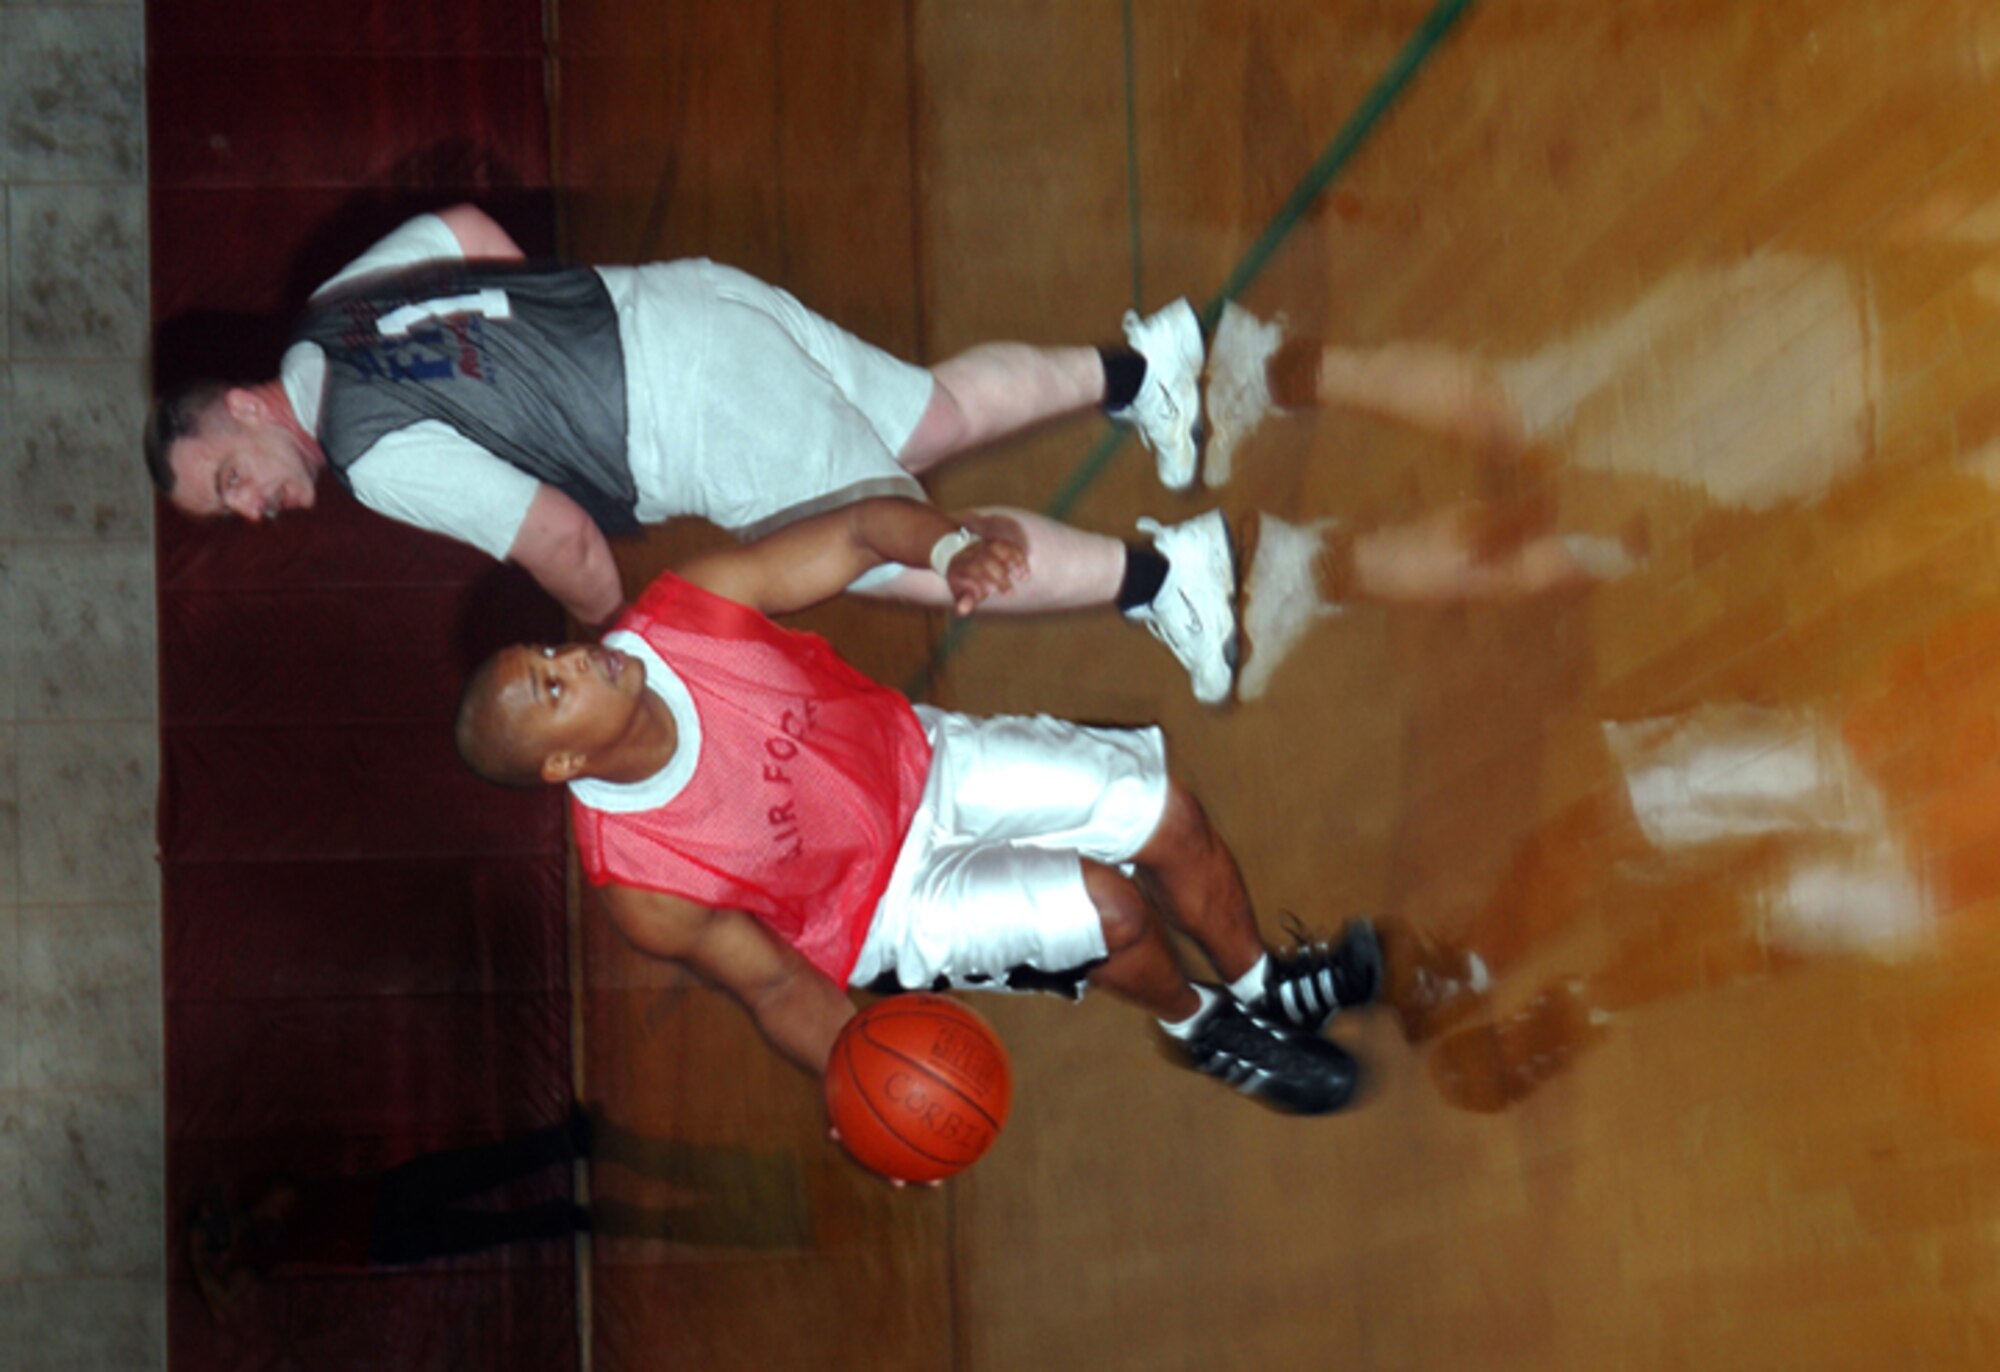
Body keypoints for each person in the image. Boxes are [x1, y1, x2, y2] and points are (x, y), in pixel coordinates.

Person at [452, 495, 1387, 1122]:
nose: (573, 659)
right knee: (1113, 913)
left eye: (551, 652)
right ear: (565, 763)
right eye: (551, 687)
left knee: (1170, 818)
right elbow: (776, 987)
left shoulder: (686, 616)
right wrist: (859, 1089)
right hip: (889, 914)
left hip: (927, 757)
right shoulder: (642, 880)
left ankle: (1266, 984)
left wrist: (949, 547)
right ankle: (1203, 1026)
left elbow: (859, 533)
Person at [146, 204, 1238, 702]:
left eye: (228, 475)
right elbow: (473, 232)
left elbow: (563, 540)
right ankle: (1146, 368)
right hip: (680, 303)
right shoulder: (332, 308)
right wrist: (551, 366)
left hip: (696, 419)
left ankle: (1163, 575)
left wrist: (615, 651)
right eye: (226, 509)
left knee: (905, 558)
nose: (252, 506)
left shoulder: (372, 459)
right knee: (929, 416)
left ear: (245, 405)